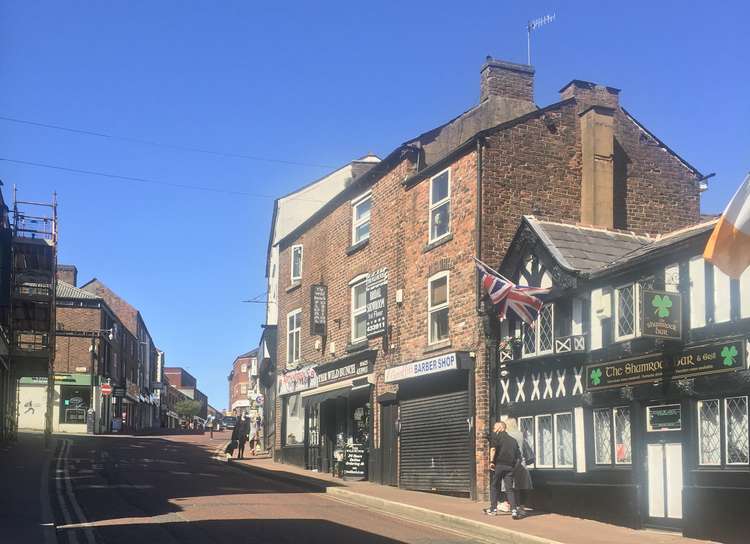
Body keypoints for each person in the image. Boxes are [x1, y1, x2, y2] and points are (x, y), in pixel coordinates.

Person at [483, 420, 522, 519]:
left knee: (495, 486)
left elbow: (493, 449)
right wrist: (514, 467)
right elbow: (518, 457)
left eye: (495, 428)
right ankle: (514, 510)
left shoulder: (497, 437)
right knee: (509, 489)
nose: (494, 430)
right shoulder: (513, 440)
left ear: (500, 428)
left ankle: (493, 509)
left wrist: (491, 462)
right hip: (510, 467)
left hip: (499, 465)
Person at [498, 418, 533, 516]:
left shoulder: (506, 435)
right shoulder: (521, 435)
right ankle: (522, 507)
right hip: (521, 464)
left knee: (508, 486)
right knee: (522, 486)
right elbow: (525, 450)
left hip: (509, 463)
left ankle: (506, 504)